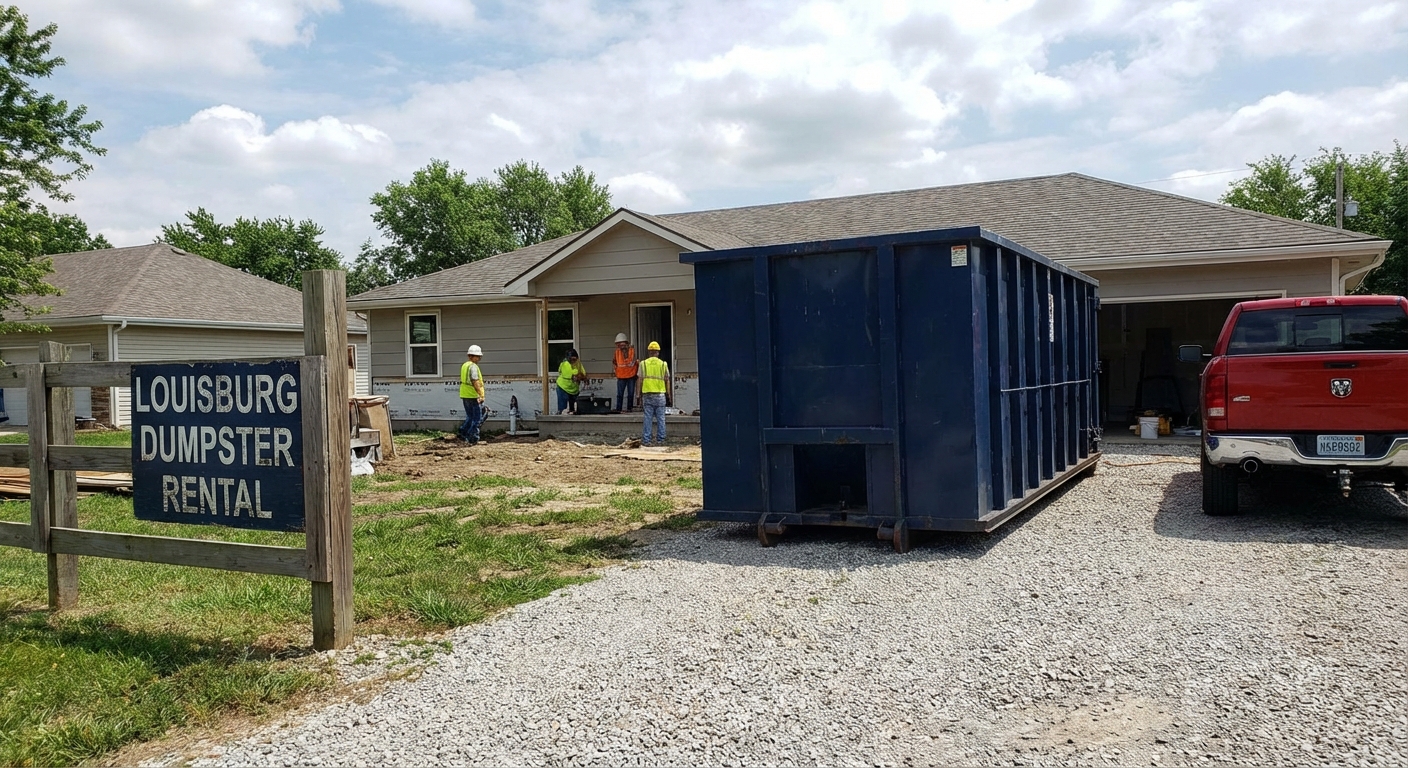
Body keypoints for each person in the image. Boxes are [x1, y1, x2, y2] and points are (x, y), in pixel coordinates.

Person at [638, 341, 672, 446]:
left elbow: (640, 380)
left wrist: (638, 395)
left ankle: (646, 440)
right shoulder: (663, 364)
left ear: (649, 352)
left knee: (647, 418)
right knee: (661, 418)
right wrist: (669, 395)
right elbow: (667, 380)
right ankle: (661, 439)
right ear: (658, 352)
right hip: (660, 395)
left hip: (647, 394)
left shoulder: (643, 364)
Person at [459, 345, 485, 444]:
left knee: (470, 416)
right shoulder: (473, 366)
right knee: (477, 419)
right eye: (477, 356)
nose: (479, 358)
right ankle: (473, 438)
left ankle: (462, 433)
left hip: (465, 394)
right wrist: (481, 394)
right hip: (473, 395)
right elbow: (475, 380)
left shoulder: (465, 365)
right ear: (471, 356)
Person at [611, 332, 638, 414]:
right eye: (620, 345)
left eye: (623, 345)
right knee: (620, 394)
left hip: (631, 375)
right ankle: (619, 409)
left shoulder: (632, 351)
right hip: (621, 376)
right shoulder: (617, 352)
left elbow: (633, 361)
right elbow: (614, 362)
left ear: (626, 344)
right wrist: (616, 371)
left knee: (630, 394)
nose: (622, 347)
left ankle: (629, 408)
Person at [555, 349, 587, 415]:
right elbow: (573, 376)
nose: (573, 361)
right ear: (568, 359)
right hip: (563, 388)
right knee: (563, 410)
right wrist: (579, 376)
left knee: (574, 411)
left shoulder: (578, 363)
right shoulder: (565, 364)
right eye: (571, 359)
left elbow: (584, 374)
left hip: (574, 390)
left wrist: (582, 377)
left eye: (575, 359)